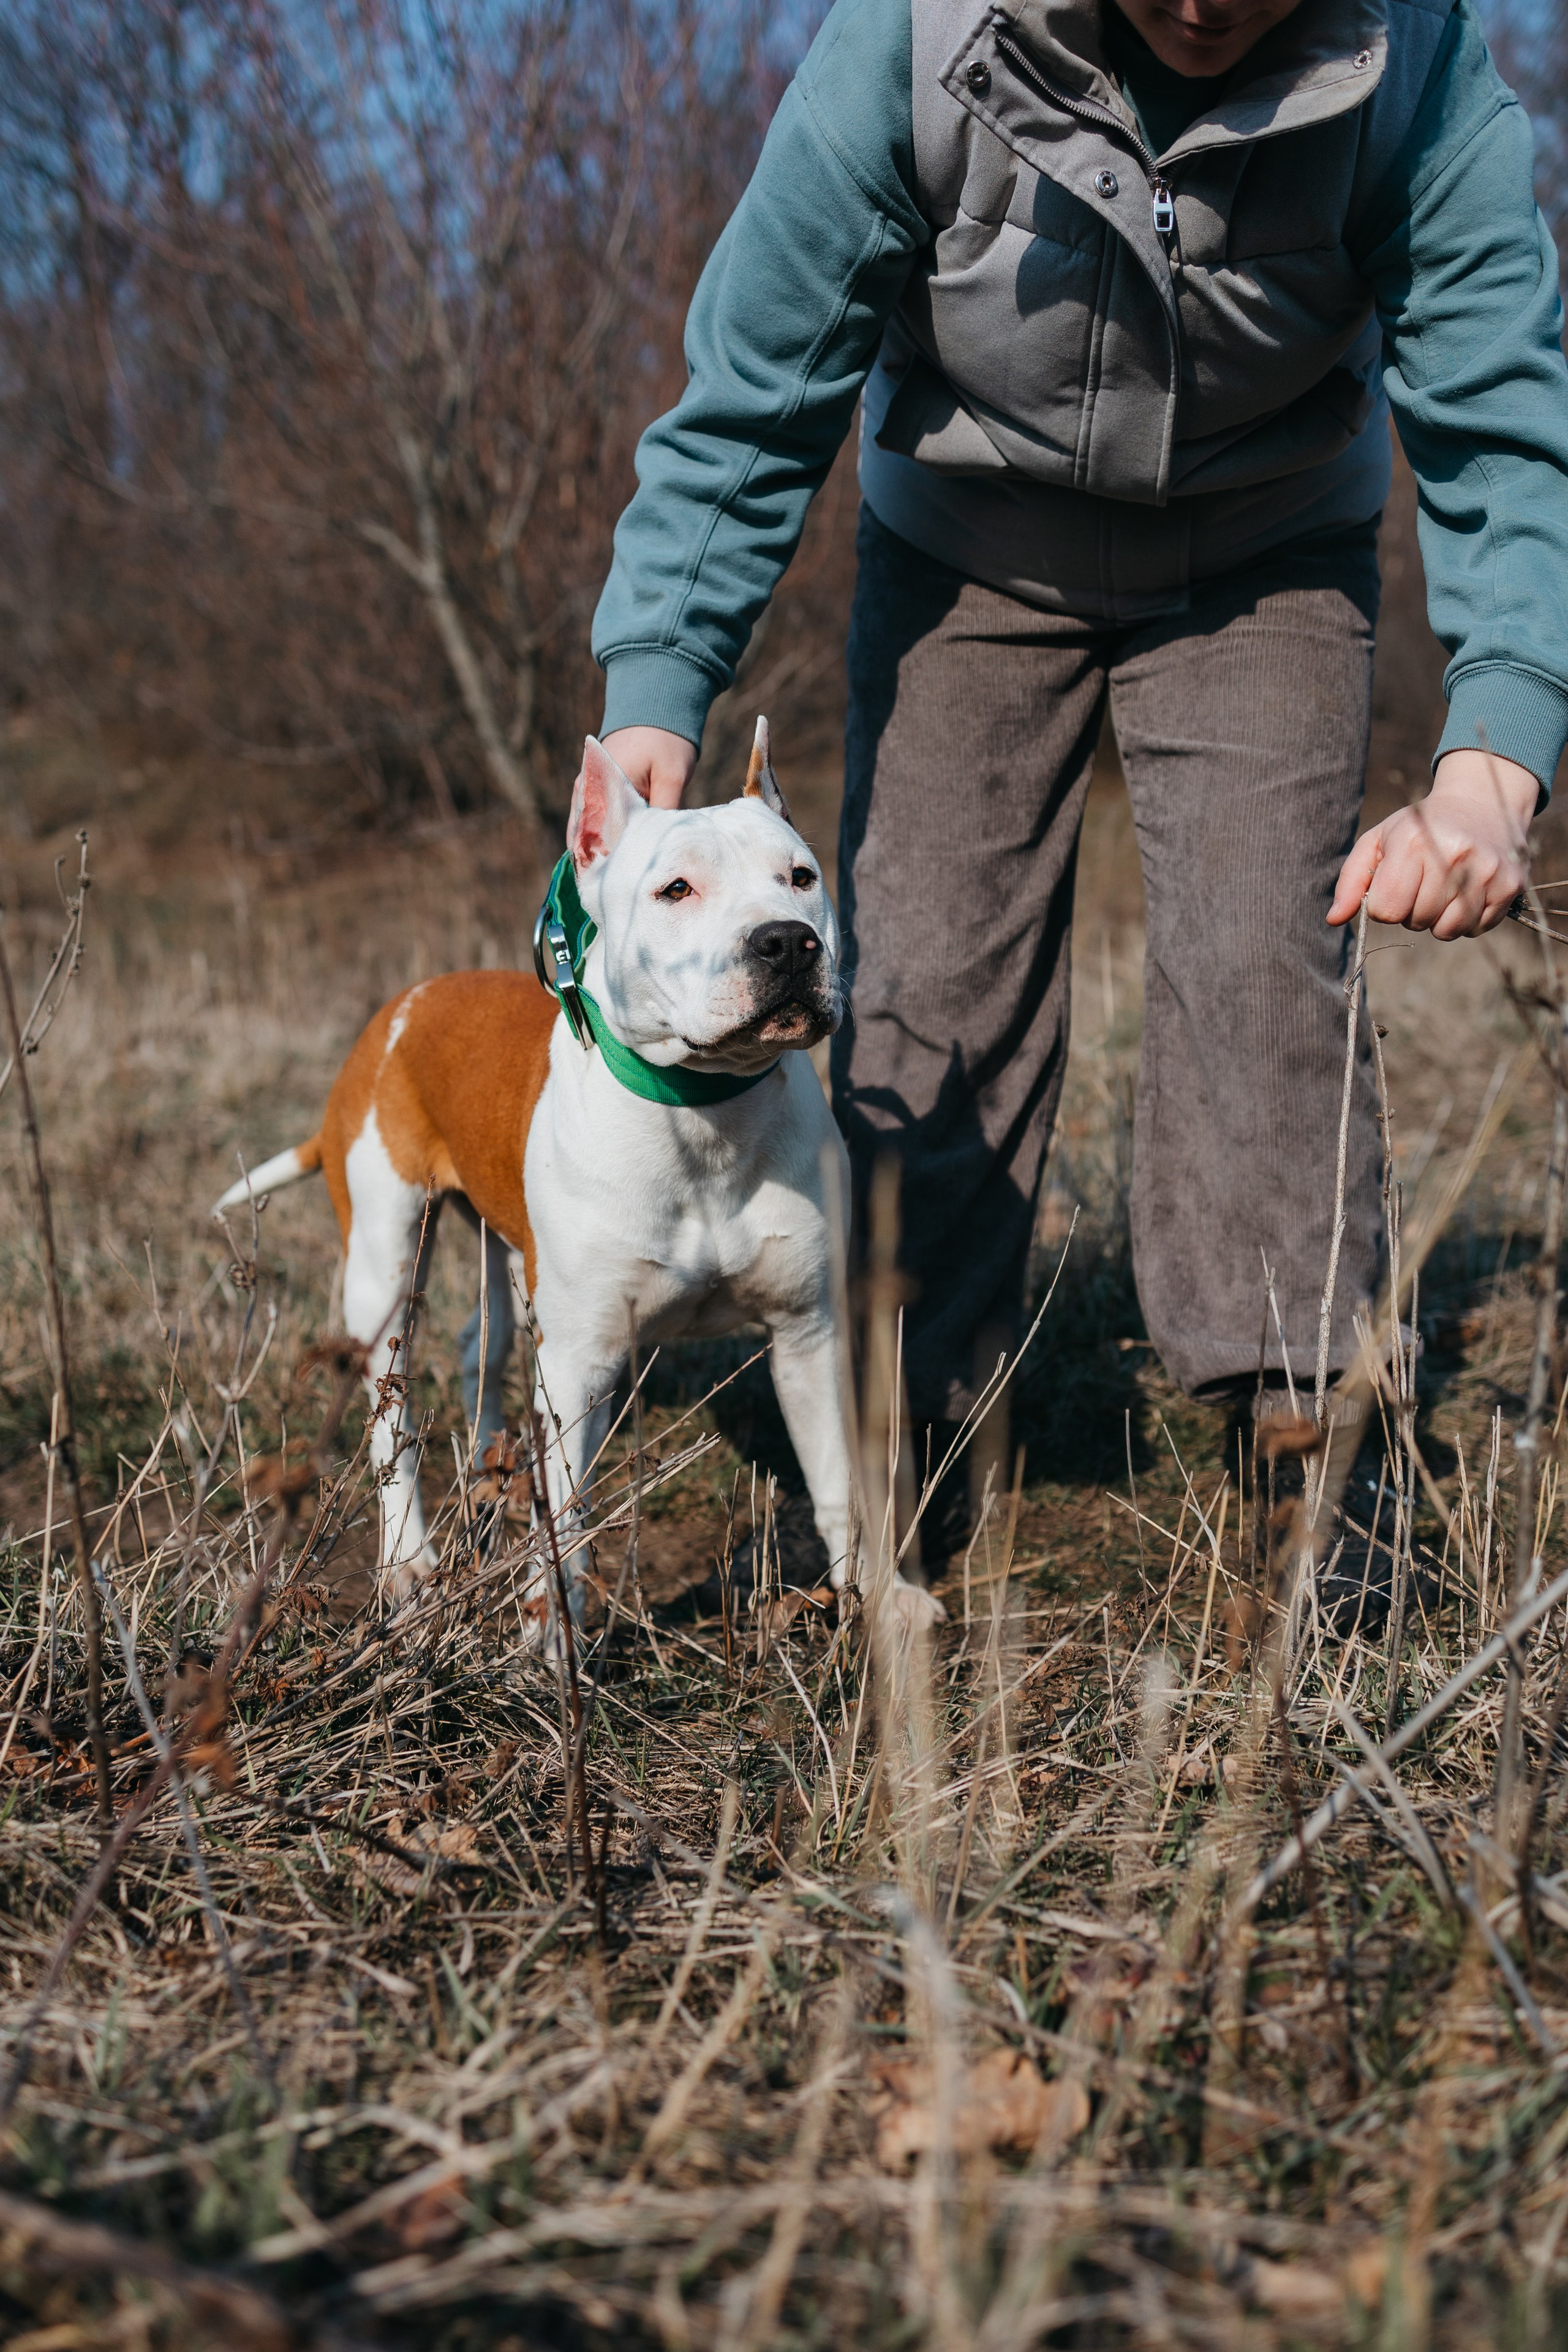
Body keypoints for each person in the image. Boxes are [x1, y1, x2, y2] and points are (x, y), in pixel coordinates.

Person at [587, 0, 1568, 1553]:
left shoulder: (1420, 74)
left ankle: (1299, 1440)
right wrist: (659, 677)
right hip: (965, 550)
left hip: (1269, 552)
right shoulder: (909, 51)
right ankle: (895, 1431)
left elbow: (1502, 423)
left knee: (1260, 958)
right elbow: (753, 397)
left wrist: (1493, 758)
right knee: (926, 979)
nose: (1197, 7)